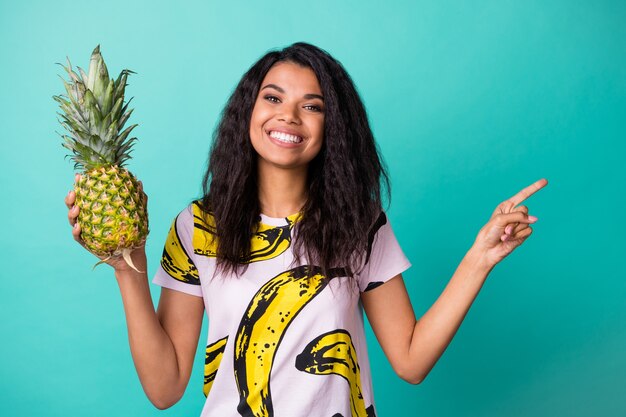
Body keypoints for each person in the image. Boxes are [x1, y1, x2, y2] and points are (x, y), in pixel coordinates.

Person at [64, 42, 547, 417]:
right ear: (248, 112)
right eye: (272, 97)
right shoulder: (198, 227)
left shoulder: (359, 224)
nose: (288, 116)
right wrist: (128, 269)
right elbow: (165, 388)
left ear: (332, 125)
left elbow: (411, 360)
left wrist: (480, 257)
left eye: (312, 106)